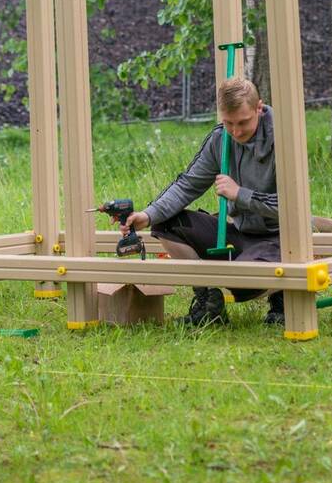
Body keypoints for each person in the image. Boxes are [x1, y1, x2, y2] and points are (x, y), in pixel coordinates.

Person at [121, 76, 284, 326]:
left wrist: (240, 194)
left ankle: (282, 299)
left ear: (259, 108)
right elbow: (187, 185)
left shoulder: (283, 140)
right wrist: (147, 215)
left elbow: (291, 208)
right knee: (166, 223)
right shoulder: (220, 139)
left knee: (243, 280)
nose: (236, 131)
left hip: (279, 238)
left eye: (243, 122)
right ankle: (209, 304)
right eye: (228, 123)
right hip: (241, 233)